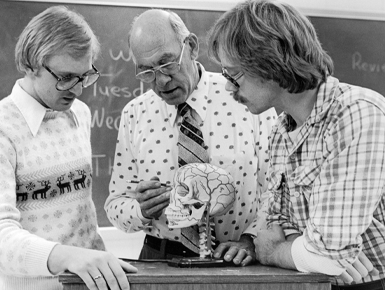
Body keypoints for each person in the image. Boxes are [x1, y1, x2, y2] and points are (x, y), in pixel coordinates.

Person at [207, 0, 384, 289]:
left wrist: (273, 251)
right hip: (309, 281)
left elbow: (324, 255)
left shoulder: (356, 114)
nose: (228, 87)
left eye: (233, 75)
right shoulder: (280, 132)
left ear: (268, 63)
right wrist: (309, 248)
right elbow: (272, 225)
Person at [105, 9, 277, 264]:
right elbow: (116, 204)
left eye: (167, 63)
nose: (161, 80)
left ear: (192, 47)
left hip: (236, 259)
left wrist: (252, 239)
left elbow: (277, 189)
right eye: (147, 71)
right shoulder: (135, 113)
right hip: (160, 261)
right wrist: (140, 210)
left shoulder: (248, 98)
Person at [0, 6, 137, 290]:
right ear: (31, 65)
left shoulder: (80, 113)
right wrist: (67, 256)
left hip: (90, 284)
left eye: (85, 75)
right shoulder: (4, 128)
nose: (77, 89)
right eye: (65, 77)